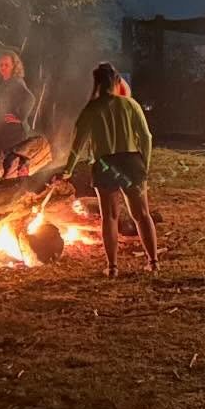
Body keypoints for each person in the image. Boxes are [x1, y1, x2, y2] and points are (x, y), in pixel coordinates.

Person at [59, 61, 158, 277]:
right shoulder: (130, 105)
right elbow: (147, 137)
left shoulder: (91, 109)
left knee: (110, 217)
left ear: (96, 83)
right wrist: (145, 166)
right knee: (142, 214)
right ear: (116, 81)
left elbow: (77, 145)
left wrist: (68, 170)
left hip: (105, 164)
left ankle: (112, 267)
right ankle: (153, 262)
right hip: (132, 162)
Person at [0, 51, 36, 172]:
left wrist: (20, 117)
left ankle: (18, 188)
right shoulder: (6, 83)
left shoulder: (16, 82)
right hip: (5, 131)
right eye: (1, 64)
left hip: (14, 133)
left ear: (14, 66)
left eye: (6, 65)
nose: (2, 67)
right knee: (7, 164)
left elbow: (30, 98)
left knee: (14, 165)